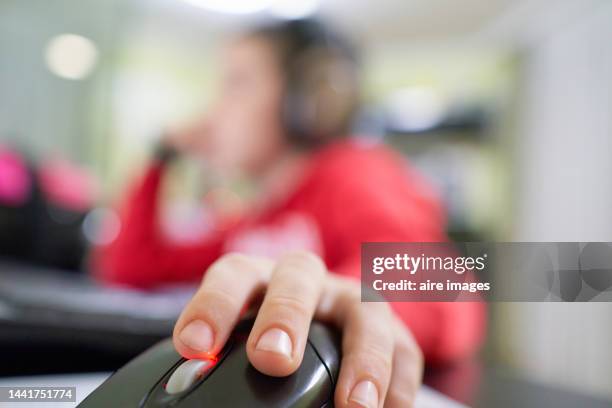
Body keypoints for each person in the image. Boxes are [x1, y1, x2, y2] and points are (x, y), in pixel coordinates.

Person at [93, 19, 485, 407]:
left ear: (310, 98)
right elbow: (130, 268)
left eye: (237, 84)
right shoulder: (253, 218)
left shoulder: (354, 172)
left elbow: (442, 284)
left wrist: (347, 296)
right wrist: (162, 157)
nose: (216, 110)